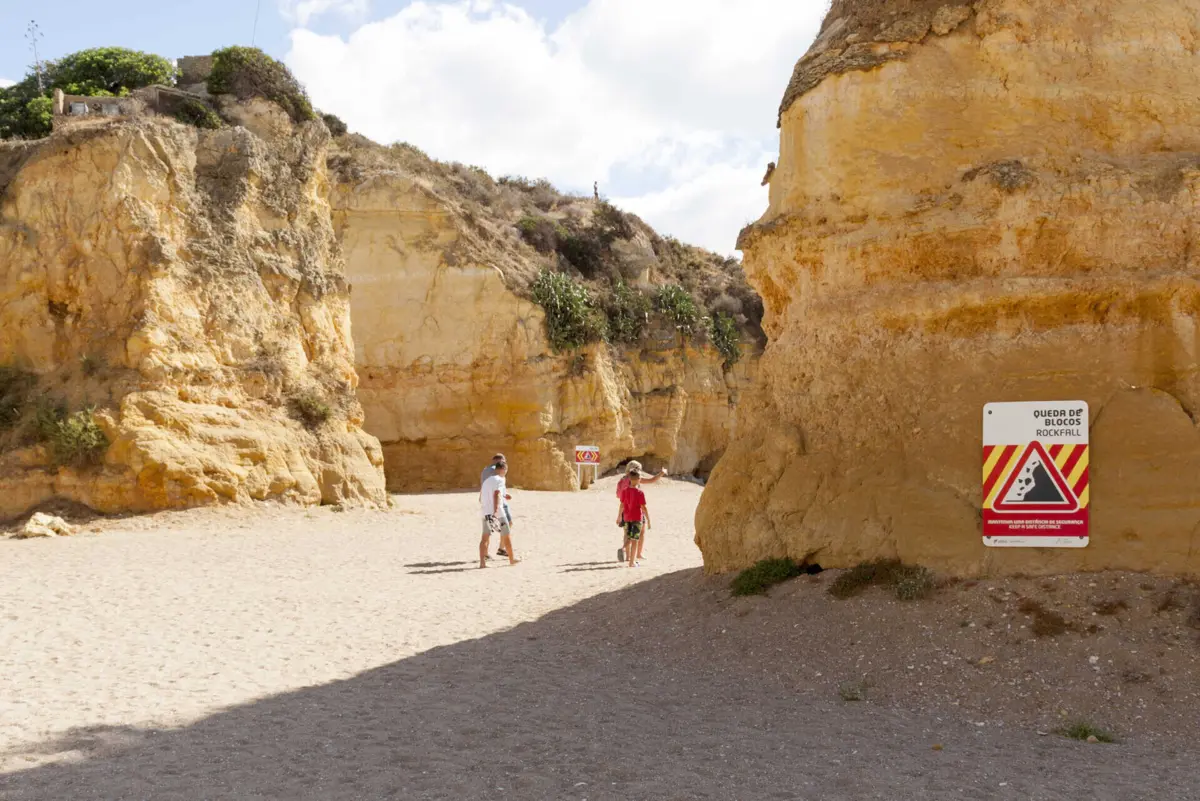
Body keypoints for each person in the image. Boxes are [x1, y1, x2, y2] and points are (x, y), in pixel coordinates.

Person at [615, 461, 667, 562]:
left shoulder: (622, 480)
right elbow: (652, 480)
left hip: (625, 511)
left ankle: (628, 556)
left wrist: (619, 515)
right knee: (640, 533)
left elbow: (618, 495)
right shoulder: (635, 478)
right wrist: (662, 473)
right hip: (636, 512)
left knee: (627, 534)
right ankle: (638, 554)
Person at [480, 461, 519, 568]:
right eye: (506, 470)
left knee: (485, 538)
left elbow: (483, 496)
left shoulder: (486, 481)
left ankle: (482, 563)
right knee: (506, 535)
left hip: (485, 512)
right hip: (498, 513)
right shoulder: (500, 479)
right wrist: (496, 510)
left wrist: (504, 495)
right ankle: (512, 560)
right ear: (503, 469)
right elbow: (496, 494)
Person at [617, 470, 650, 567]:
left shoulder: (624, 491)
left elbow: (622, 505)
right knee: (635, 539)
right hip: (637, 518)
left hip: (627, 517)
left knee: (629, 537)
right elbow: (643, 507)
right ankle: (631, 562)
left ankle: (624, 549)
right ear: (639, 479)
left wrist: (619, 516)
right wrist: (648, 519)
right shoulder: (640, 492)